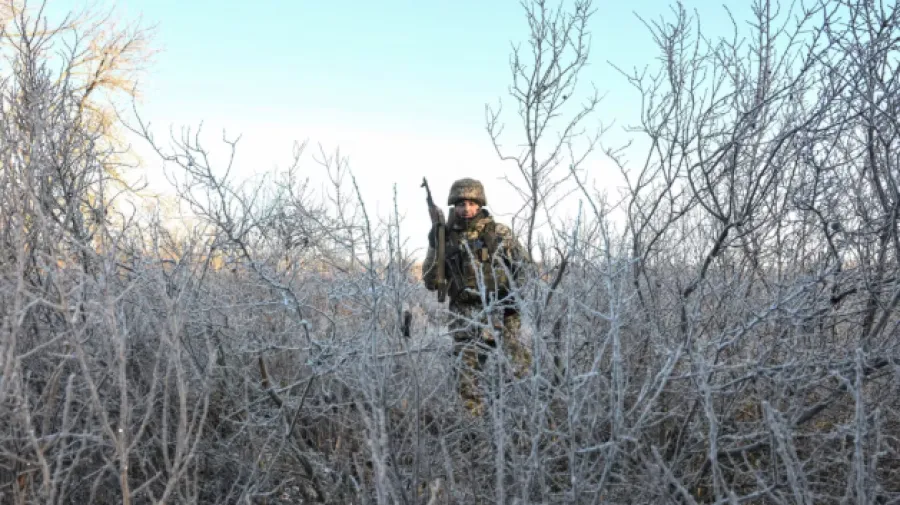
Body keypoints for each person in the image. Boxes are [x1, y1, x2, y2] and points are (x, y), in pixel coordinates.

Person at [422, 178, 531, 416]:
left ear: (480, 204)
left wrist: (513, 301)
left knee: (520, 370)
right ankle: (475, 428)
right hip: (464, 317)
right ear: (454, 206)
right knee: (467, 381)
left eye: (472, 203)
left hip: (502, 313)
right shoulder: (444, 237)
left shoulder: (499, 233)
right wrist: (435, 244)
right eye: (461, 204)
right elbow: (430, 282)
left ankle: (525, 420)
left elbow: (525, 268)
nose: (467, 209)